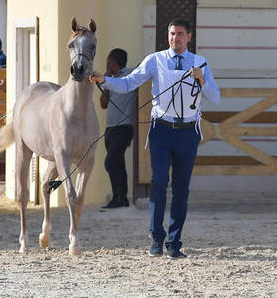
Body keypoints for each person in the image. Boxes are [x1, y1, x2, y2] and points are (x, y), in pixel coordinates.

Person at [90, 20, 220, 259]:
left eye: (180, 34)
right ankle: (156, 238)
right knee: (159, 182)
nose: (175, 38)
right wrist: (105, 80)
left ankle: (174, 242)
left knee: (181, 189)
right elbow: (129, 83)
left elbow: (216, 98)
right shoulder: (155, 60)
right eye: (172, 34)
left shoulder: (200, 63)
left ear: (189, 37)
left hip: (188, 132)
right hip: (161, 129)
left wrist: (201, 79)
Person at [98, 48, 136, 209]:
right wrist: (107, 80)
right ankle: (121, 198)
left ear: (113, 63)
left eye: (108, 63)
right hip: (110, 128)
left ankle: (118, 197)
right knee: (118, 162)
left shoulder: (131, 75)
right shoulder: (111, 81)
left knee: (111, 162)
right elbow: (103, 104)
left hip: (124, 127)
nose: (107, 66)